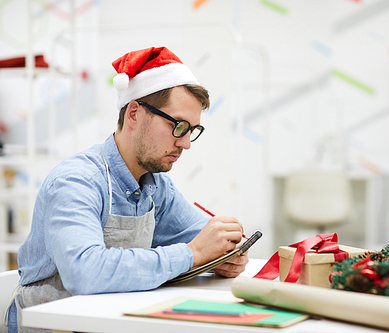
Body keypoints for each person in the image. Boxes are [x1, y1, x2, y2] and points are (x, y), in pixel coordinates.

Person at [6, 46, 248, 333]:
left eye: (192, 130)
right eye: (178, 126)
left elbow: (204, 241)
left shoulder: (155, 185)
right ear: (134, 113)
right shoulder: (76, 180)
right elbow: (85, 272)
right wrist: (193, 254)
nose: (186, 144)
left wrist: (225, 253)